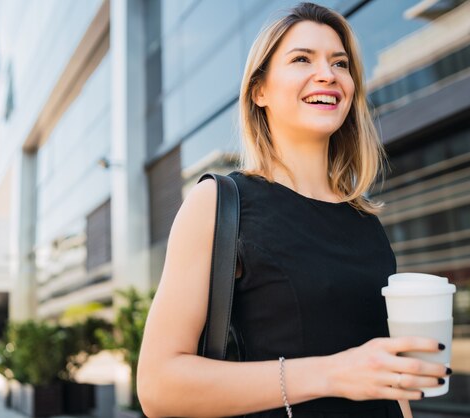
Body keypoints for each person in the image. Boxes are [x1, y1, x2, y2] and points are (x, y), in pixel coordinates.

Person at [137, 3, 450, 417]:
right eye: (302, 58)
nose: (328, 74)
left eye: (340, 63)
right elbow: (158, 387)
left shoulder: (364, 220)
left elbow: (389, 379)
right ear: (259, 91)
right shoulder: (219, 203)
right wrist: (333, 374)